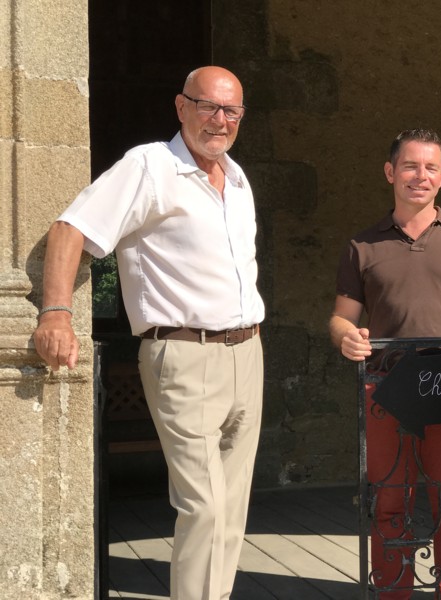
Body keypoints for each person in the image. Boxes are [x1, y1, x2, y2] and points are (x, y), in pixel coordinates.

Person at [33, 66, 264, 600]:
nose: (220, 120)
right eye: (208, 106)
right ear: (181, 107)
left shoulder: (237, 178)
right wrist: (56, 314)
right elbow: (70, 228)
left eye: (232, 110)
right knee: (205, 506)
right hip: (183, 355)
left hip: (248, 351)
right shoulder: (150, 166)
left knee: (231, 506)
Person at [329, 129, 441, 599]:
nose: (420, 176)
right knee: (390, 501)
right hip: (387, 388)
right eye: (410, 166)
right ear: (391, 172)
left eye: (430, 167)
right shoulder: (363, 245)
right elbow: (342, 317)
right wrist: (347, 337)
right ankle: (394, 593)